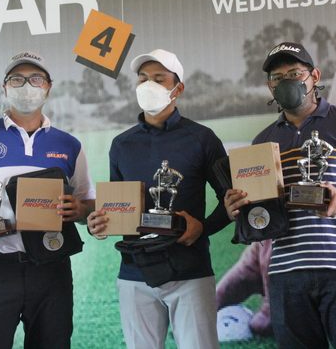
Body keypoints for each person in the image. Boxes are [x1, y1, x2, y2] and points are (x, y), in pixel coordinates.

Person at [224, 42, 336, 349]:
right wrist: (240, 209)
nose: (286, 82)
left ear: (315, 76)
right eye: (277, 78)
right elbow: (261, 216)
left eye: (295, 73)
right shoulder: (263, 142)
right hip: (285, 275)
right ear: (270, 87)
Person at [0, 51, 95, 349]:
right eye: (17, 79)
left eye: (35, 79)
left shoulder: (69, 144)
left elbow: (87, 203)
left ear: (48, 87)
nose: (26, 86)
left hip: (52, 268)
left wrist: (79, 209)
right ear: (4, 87)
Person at [86, 48, 230, 349]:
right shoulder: (121, 144)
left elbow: (231, 200)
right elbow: (118, 208)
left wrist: (202, 228)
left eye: (159, 78)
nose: (148, 84)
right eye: (143, 78)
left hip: (190, 272)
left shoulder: (202, 138)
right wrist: (99, 223)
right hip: (134, 273)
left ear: (178, 88)